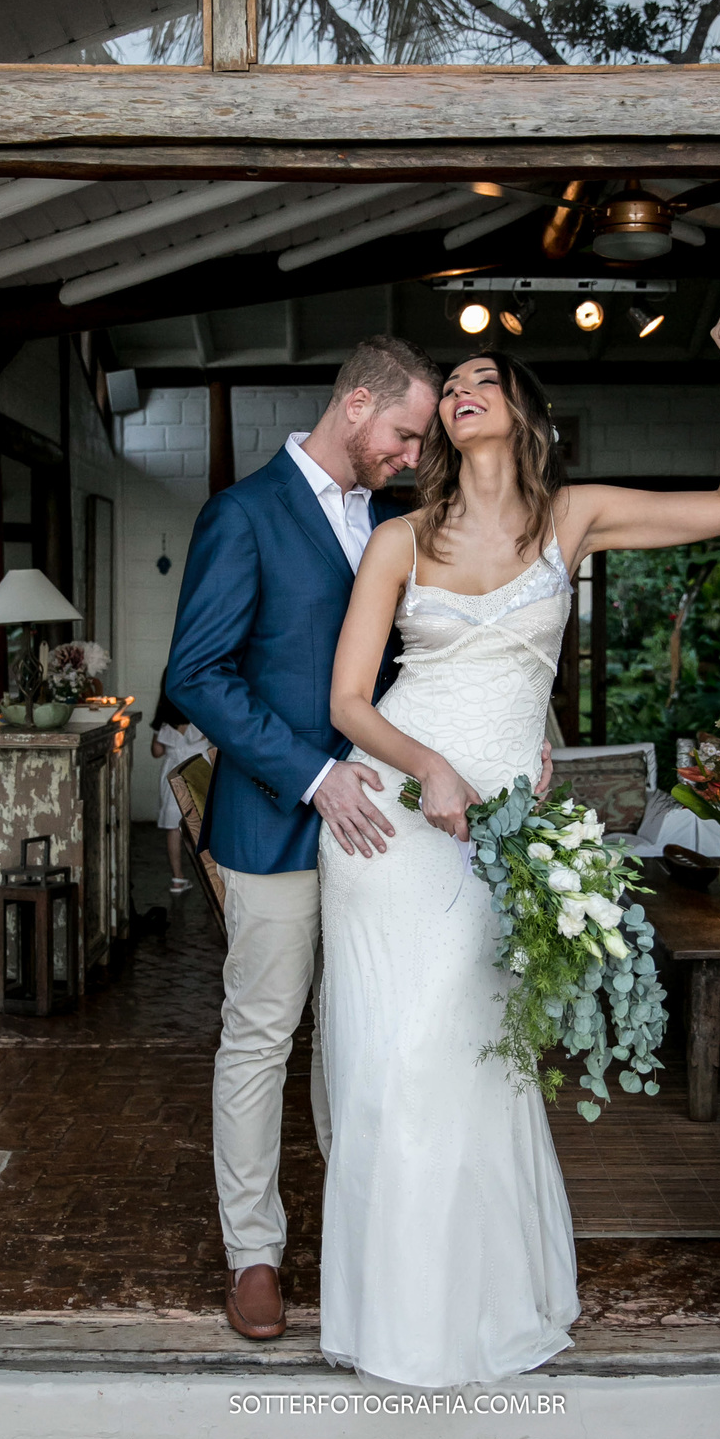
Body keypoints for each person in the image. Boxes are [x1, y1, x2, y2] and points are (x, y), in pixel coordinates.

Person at [319, 299, 720, 1388]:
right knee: (395, 1068)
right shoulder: (397, 538)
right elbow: (348, 702)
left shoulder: (572, 517)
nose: (462, 390)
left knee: (480, 1066)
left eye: (483, 378)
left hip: (506, 841)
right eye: (451, 385)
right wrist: (429, 767)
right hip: (395, 829)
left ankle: (485, 1305)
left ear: (523, 412)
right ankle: (395, 1321)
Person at [165, 336, 444, 1342]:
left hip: (386, 836)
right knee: (262, 1034)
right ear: (357, 405)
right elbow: (197, 674)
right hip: (274, 824)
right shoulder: (241, 514)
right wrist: (316, 776)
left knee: (365, 1037)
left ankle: (361, 1241)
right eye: (404, 434)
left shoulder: (395, 521)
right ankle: (254, 1254)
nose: (410, 455)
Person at [148, 670, 211, 895]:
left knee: (174, 829)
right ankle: (209, 875)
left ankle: (178, 878)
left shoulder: (165, 720)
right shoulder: (201, 713)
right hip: (198, 774)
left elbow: (156, 752)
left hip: (172, 778)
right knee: (202, 826)